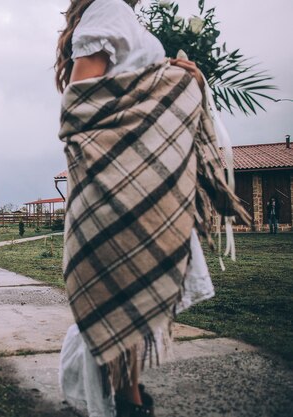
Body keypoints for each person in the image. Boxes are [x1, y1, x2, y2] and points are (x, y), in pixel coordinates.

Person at [55, 1, 249, 416]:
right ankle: (131, 403)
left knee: (127, 299)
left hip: (139, 187)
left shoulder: (120, 18)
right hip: (120, 187)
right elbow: (81, 101)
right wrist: (173, 77)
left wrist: (181, 76)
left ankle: (125, 397)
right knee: (123, 298)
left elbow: (132, 87)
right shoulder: (108, 9)